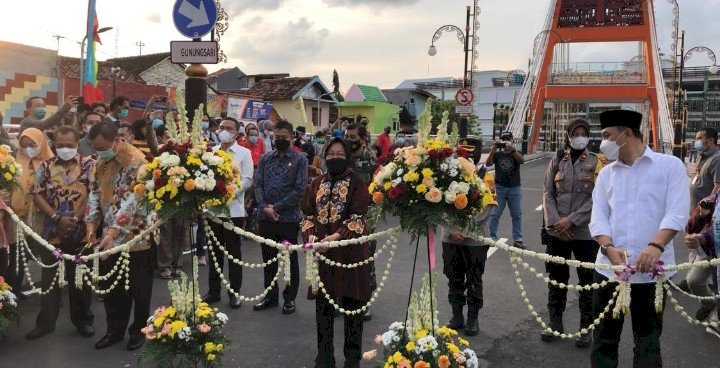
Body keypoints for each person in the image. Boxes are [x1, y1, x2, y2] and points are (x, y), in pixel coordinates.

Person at [589, 110, 690, 367]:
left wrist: (656, 245)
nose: (603, 142)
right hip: (609, 272)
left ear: (627, 134)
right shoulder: (607, 173)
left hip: (652, 276)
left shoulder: (670, 167)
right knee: (603, 341)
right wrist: (608, 247)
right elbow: (598, 217)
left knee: (647, 343)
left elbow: (677, 212)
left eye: (607, 136)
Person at [302, 137, 371, 368]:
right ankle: (324, 357)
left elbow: (359, 218)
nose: (334, 158)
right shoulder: (316, 183)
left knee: (353, 306)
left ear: (348, 157)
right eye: (330, 154)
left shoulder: (357, 183)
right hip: (322, 253)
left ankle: (352, 359)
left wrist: (335, 238)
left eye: (339, 154)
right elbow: (308, 215)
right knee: (323, 307)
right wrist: (310, 234)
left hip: (350, 254)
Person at [85, 121, 152, 351]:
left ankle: (139, 330)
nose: (99, 151)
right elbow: (94, 193)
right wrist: (91, 227)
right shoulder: (100, 162)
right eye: (95, 148)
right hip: (108, 237)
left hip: (137, 236)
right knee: (112, 288)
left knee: (139, 289)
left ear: (116, 140)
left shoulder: (138, 162)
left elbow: (133, 203)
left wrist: (113, 232)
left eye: (102, 146)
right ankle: (114, 330)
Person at [26, 126, 96, 340]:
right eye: (60, 145)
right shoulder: (46, 166)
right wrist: (57, 217)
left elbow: (95, 194)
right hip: (52, 232)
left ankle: (83, 321)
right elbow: (36, 194)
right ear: (53, 143)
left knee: (80, 280)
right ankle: (45, 324)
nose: (65, 148)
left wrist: (76, 218)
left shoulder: (90, 165)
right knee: (49, 281)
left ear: (78, 143)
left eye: (69, 145)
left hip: (81, 231)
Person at [541, 118, 600, 347]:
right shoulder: (557, 161)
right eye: (576, 133)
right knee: (556, 281)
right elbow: (547, 194)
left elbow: (598, 198)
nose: (580, 136)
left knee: (587, 284)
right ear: (568, 136)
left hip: (584, 233)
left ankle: (586, 329)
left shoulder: (597, 162)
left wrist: (571, 221)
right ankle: (555, 324)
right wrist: (557, 223)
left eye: (584, 133)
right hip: (558, 233)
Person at [442, 143, 497, 337]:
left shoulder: (485, 177)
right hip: (450, 239)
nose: (462, 160)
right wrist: (451, 229)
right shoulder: (444, 178)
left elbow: (486, 209)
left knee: (474, 279)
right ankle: (457, 316)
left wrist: (462, 231)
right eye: (459, 155)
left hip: (475, 239)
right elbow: (439, 208)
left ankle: (473, 317)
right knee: (454, 278)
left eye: (467, 156)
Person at [253, 119, 307, 315]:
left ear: (292, 137)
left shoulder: (301, 159)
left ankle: (289, 298)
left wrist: (276, 206)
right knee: (268, 259)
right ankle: (270, 295)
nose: (280, 140)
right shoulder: (267, 158)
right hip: (265, 217)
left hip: (288, 218)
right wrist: (264, 207)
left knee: (289, 260)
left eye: (283, 137)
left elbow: (300, 189)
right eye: (276, 137)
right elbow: (257, 184)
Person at [203, 118, 253, 309]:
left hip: (234, 210)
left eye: (228, 128)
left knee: (233, 253)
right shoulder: (211, 152)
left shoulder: (244, 153)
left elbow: (247, 180)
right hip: (212, 211)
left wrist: (227, 192)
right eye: (222, 128)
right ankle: (214, 292)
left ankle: (234, 293)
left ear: (237, 133)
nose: (224, 131)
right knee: (214, 253)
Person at [3, 128, 55, 296]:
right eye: (24, 146)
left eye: (32, 145)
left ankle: (51, 293)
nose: (28, 149)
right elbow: (7, 188)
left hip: (43, 216)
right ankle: (13, 292)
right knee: (17, 255)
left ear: (41, 143)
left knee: (46, 254)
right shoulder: (13, 162)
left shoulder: (52, 162)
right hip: (17, 217)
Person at [345, 123, 377, 320]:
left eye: (353, 138)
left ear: (363, 139)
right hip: (344, 216)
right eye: (347, 137)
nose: (349, 141)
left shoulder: (371, 160)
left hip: (366, 216)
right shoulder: (343, 158)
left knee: (365, 259)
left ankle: (365, 301)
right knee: (344, 257)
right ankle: (344, 298)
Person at [486, 131, 524, 249]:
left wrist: (512, 150)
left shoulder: (516, 153)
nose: (506, 141)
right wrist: (492, 151)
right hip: (500, 188)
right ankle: (491, 238)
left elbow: (521, 161)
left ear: (512, 140)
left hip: (514, 188)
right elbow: (488, 164)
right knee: (495, 214)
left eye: (508, 139)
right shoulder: (497, 154)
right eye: (504, 139)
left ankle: (518, 239)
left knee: (516, 214)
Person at [690, 127, 720, 209]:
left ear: (710, 140)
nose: (697, 142)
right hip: (694, 212)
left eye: (700, 138)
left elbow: (718, 187)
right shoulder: (702, 156)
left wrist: (706, 206)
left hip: (704, 214)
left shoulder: (717, 159)